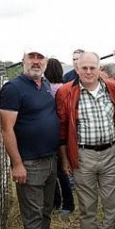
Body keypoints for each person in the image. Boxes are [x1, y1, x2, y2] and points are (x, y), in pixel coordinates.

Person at [0, 47, 67, 229]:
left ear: (46, 62)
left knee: (46, 212)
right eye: (32, 57)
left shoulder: (46, 85)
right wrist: (17, 163)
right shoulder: (13, 88)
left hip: (49, 161)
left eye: (41, 58)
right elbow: (7, 129)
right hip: (29, 163)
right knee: (33, 217)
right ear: (23, 60)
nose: (36, 62)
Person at [56, 51, 115, 229]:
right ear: (76, 69)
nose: (88, 72)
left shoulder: (112, 89)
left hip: (110, 154)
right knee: (87, 207)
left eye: (92, 68)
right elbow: (61, 129)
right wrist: (65, 159)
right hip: (83, 154)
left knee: (112, 204)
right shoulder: (66, 92)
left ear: (99, 69)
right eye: (83, 68)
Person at [44, 57, 75, 217]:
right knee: (61, 170)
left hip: (52, 133)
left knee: (55, 171)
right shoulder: (65, 87)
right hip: (63, 133)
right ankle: (67, 202)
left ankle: (58, 201)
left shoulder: (48, 88)